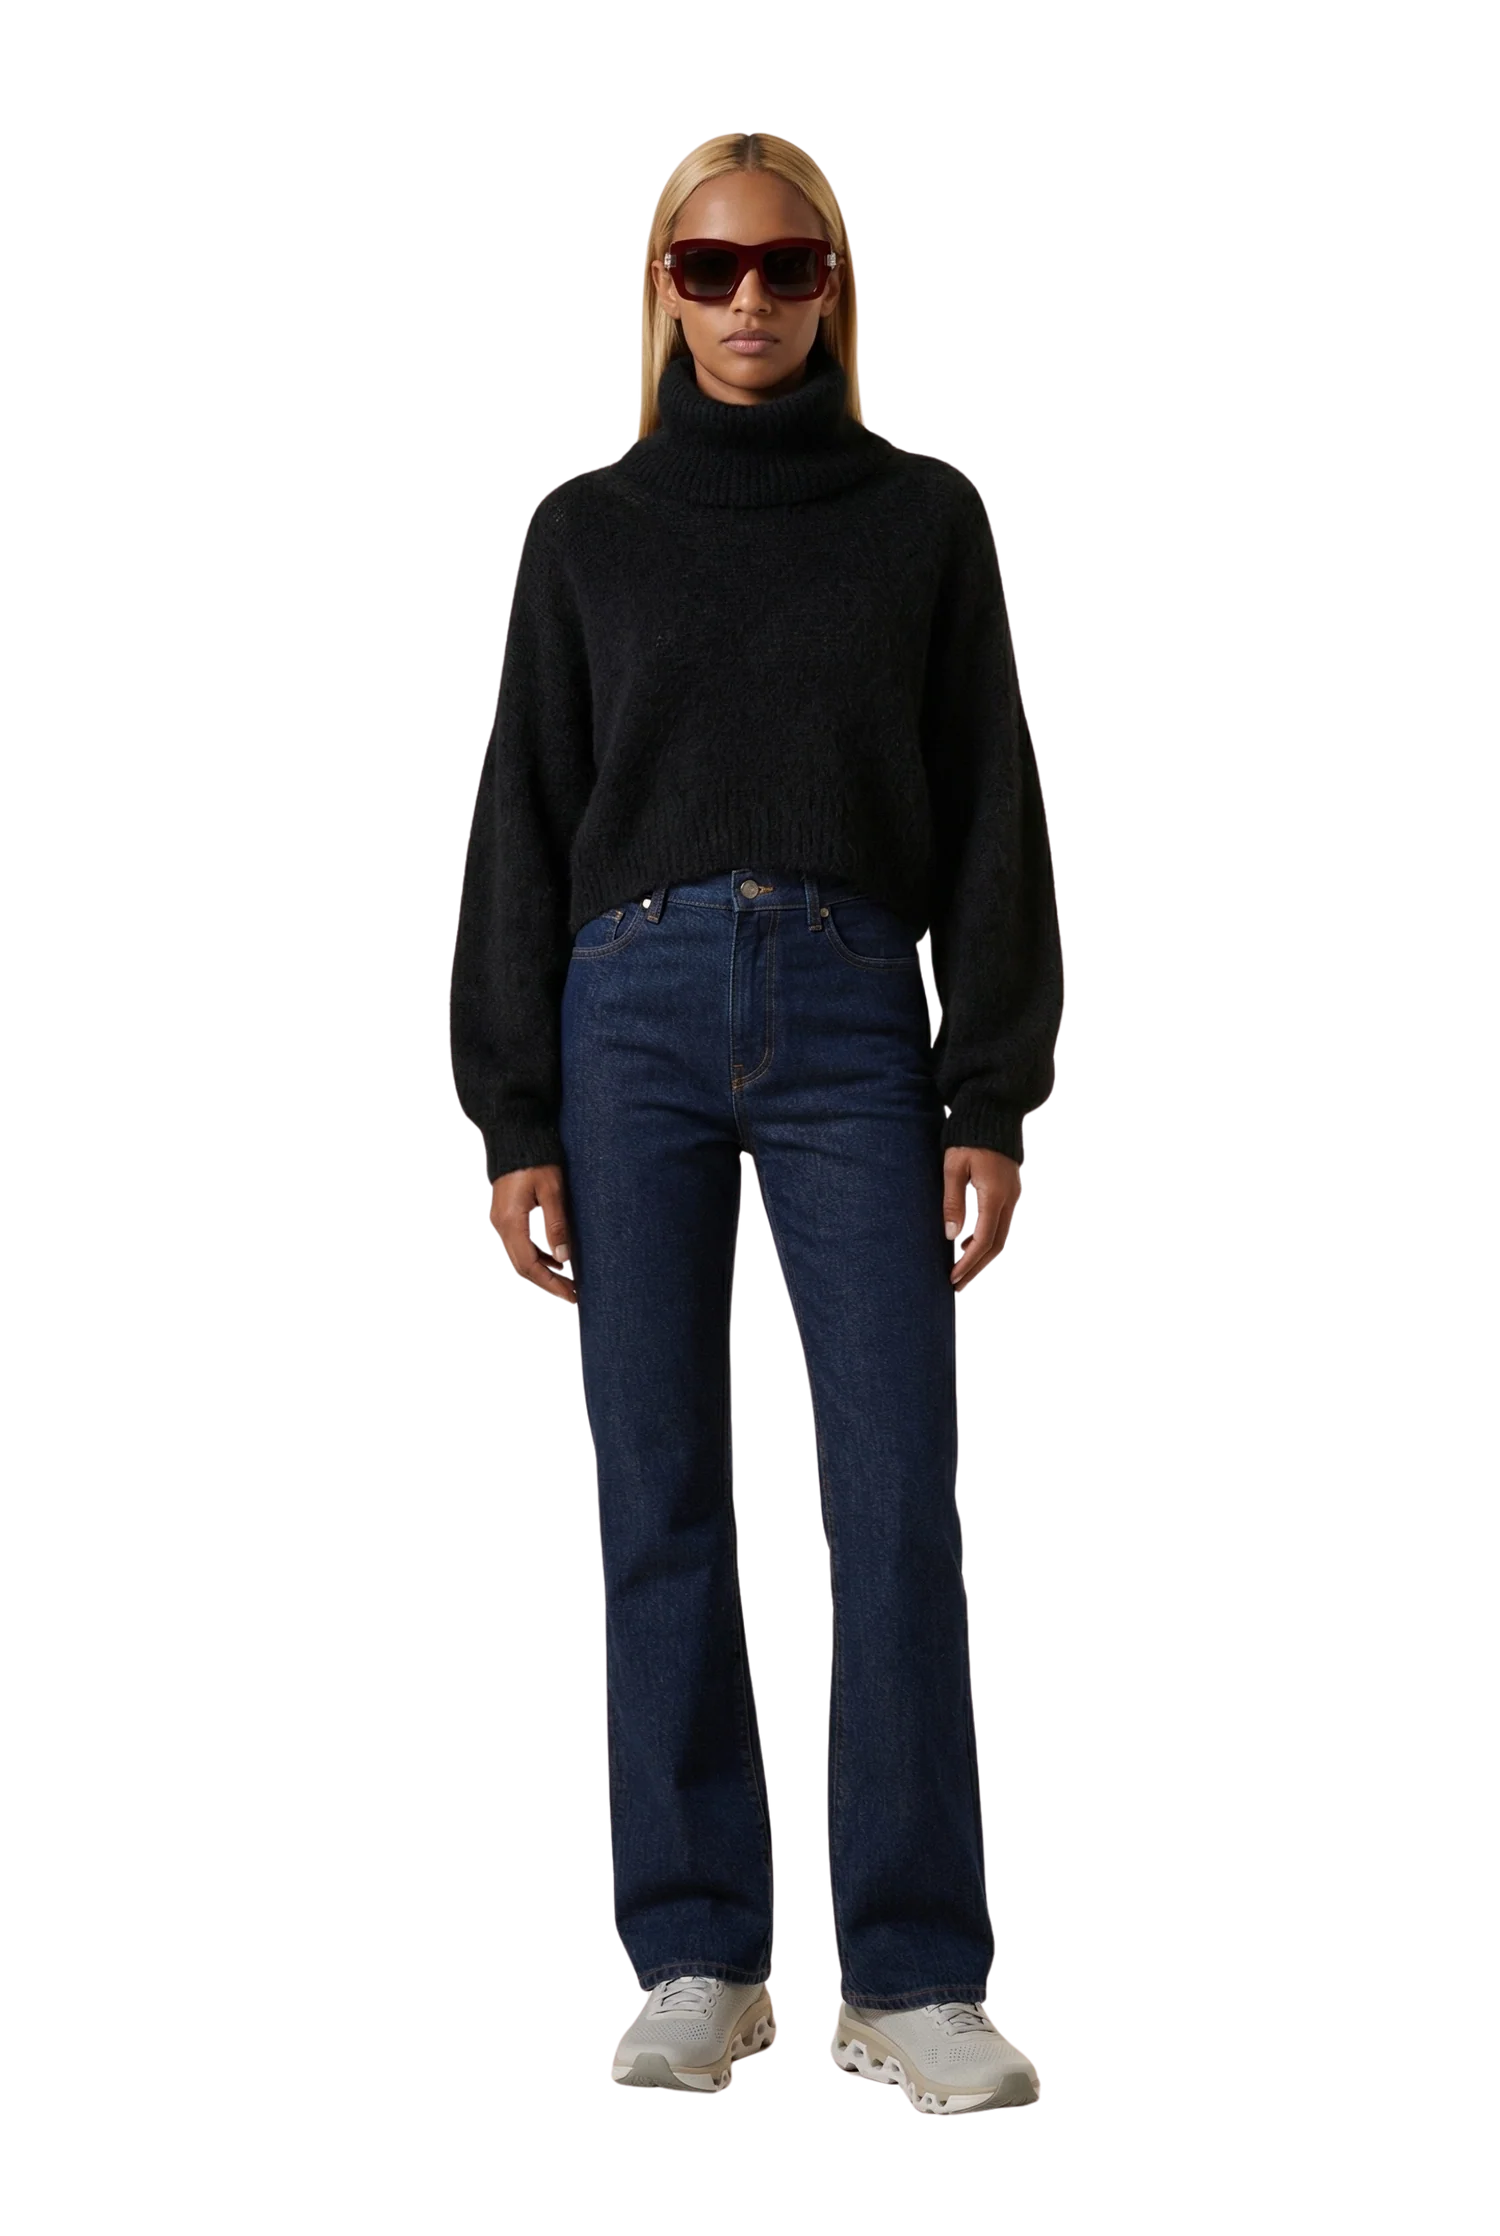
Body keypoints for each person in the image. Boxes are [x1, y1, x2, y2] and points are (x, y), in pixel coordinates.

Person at [448, 130, 1061, 2115]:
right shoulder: (586, 529)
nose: (747, 300)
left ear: (835, 288)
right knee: (658, 1495)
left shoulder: (924, 519)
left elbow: (995, 815)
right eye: (708, 266)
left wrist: (993, 1089)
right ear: (661, 286)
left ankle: (914, 1969)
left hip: (853, 1008)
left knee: (894, 1489)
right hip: (620, 1013)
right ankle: (701, 1952)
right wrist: (510, 1110)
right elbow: (521, 825)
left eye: (786, 265)